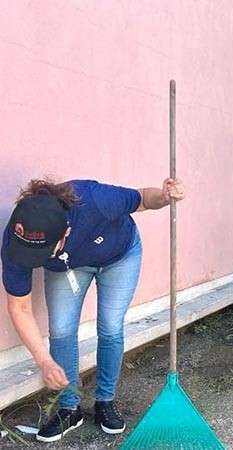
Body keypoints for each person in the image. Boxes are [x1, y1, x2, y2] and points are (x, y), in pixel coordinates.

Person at [2, 178, 185, 442]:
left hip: (119, 256)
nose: (34, 262)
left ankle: (105, 401)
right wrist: (44, 361)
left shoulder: (95, 200)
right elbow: (19, 306)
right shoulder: (16, 241)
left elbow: (144, 198)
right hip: (69, 266)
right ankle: (69, 408)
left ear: (65, 231)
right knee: (61, 330)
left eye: (42, 255)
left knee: (110, 326)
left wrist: (166, 197)